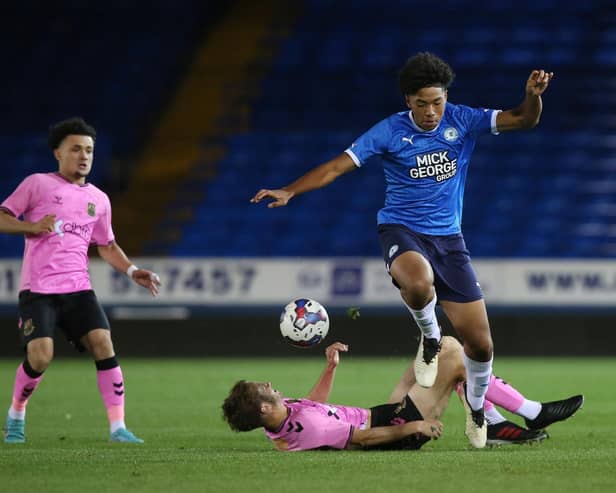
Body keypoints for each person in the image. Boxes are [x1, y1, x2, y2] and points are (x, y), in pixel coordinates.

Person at [250, 52, 554, 447]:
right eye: (421, 103)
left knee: (481, 345)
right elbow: (336, 167)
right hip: (401, 230)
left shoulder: (462, 119)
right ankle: (430, 338)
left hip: (449, 241)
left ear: (446, 97)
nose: (431, 112)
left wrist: (532, 96)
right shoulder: (389, 132)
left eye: (437, 102)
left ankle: (478, 410)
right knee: (418, 281)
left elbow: (524, 119)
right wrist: (291, 189)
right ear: (407, 101)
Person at [0, 117, 161, 444]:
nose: (84, 155)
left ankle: (118, 428)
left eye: (89, 150)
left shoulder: (99, 200)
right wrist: (30, 227)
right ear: (58, 153)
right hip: (38, 290)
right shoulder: (37, 184)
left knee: (103, 342)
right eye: (75, 149)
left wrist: (132, 271)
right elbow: (2, 217)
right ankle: (17, 414)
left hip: (78, 289)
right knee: (41, 356)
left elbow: (107, 245)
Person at [222, 337, 583, 451]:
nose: (269, 384)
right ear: (264, 407)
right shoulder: (311, 429)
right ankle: (529, 413)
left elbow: (317, 405)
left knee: (439, 348)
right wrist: (413, 429)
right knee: (455, 356)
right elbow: (363, 439)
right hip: (394, 427)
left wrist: (330, 368)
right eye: (263, 389)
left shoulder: (284, 422)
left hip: (384, 412)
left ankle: (495, 423)